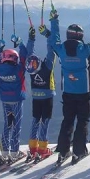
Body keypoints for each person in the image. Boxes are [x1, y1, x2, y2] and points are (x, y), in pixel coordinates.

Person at [49, 6, 90, 165]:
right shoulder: (85, 50)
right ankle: (78, 152)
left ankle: (63, 152)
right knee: (83, 121)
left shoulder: (60, 49)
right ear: (81, 36)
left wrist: (54, 20)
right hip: (84, 93)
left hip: (67, 92)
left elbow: (54, 39)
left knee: (67, 120)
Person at [0, 28, 32, 166]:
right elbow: (26, 56)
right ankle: (14, 151)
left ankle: (5, 152)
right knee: (16, 125)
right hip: (17, 100)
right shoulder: (19, 69)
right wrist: (20, 43)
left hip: (5, 100)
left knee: (7, 125)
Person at [25, 24, 57, 161]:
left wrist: (31, 38)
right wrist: (48, 35)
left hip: (35, 97)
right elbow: (51, 51)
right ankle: (43, 148)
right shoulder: (47, 66)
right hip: (48, 96)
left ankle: (33, 148)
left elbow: (28, 53)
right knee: (45, 121)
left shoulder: (30, 69)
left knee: (35, 120)